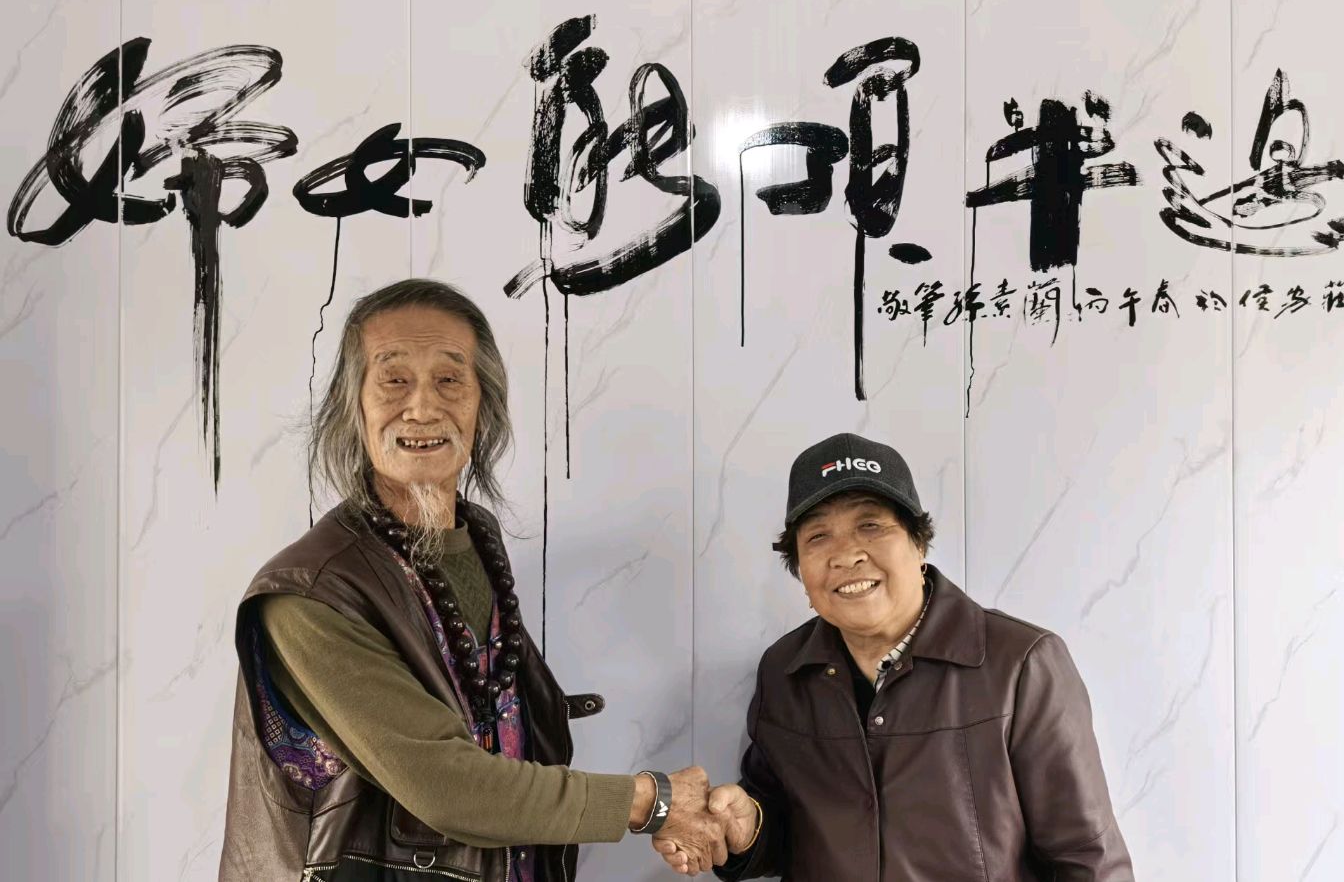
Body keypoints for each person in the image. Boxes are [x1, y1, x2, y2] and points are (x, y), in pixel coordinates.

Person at [219, 278, 727, 881]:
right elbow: (447, 785)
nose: (423, 407)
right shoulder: (311, 593)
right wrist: (652, 802)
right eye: (393, 380)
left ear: (482, 405)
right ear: (351, 407)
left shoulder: (476, 539)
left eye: (449, 379)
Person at [656, 432, 1135, 880]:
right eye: (818, 537)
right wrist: (748, 829)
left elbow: (1087, 860)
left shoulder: (1020, 663)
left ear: (919, 544)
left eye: (870, 525)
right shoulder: (783, 670)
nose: (846, 555)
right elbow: (783, 830)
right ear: (800, 571)